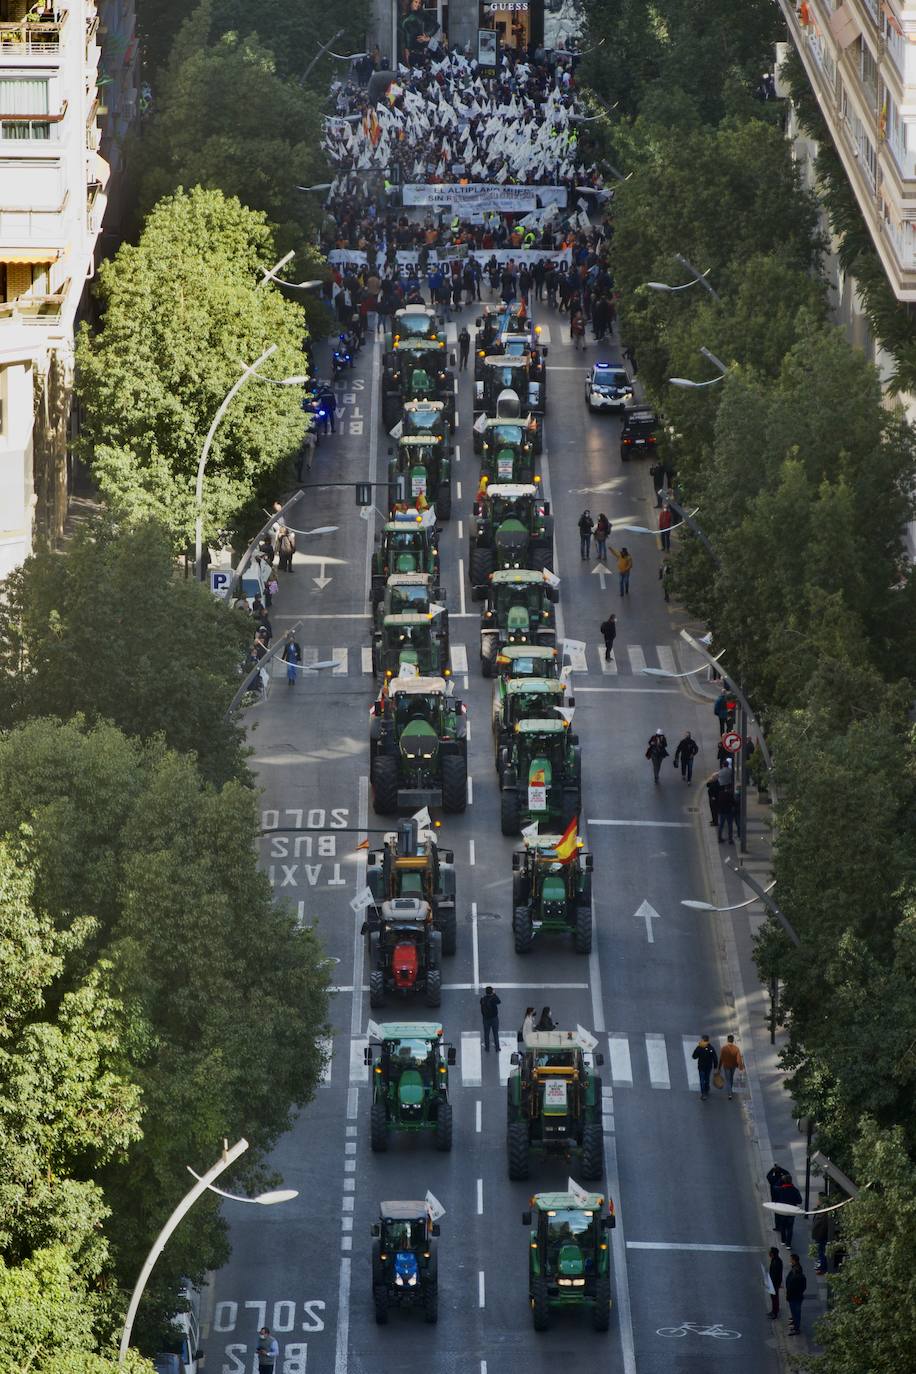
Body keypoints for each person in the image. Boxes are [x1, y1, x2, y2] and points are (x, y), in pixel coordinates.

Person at [775, 1177, 803, 1246]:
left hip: (783, 1210)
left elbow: (774, 1187)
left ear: (783, 1181)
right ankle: (788, 1244)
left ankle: (783, 1241)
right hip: (791, 1211)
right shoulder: (795, 1190)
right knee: (790, 1228)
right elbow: (800, 1201)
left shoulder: (781, 1189)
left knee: (783, 1226)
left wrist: (780, 1180)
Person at [691, 1034, 718, 1100]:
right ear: (708, 1040)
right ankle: (707, 1088)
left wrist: (697, 1049)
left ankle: (703, 1094)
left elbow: (694, 1056)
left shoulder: (699, 1048)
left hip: (701, 1067)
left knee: (702, 1080)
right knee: (707, 1078)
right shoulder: (711, 1048)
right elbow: (715, 1058)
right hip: (708, 1067)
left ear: (703, 1040)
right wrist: (715, 1067)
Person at [718, 1033, 744, 1098]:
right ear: (733, 1040)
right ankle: (730, 1090)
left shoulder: (723, 1048)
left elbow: (721, 1058)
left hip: (726, 1066)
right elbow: (739, 1059)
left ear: (727, 1040)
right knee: (731, 1077)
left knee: (728, 1079)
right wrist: (741, 1067)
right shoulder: (736, 1049)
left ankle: (730, 1093)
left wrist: (719, 1067)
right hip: (733, 1066)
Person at [785, 1254, 807, 1335]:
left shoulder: (797, 1275)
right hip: (794, 1296)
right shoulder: (796, 1270)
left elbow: (796, 1287)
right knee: (794, 1311)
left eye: (791, 1259)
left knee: (796, 1312)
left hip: (795, 1296)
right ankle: (795, 1323)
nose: (790, 1261)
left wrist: (789, 1294)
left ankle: (796, 1328)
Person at [480, 985, 501, 1052]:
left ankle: (487, 1048)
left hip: (486, 1019)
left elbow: (481, 1004)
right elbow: (499, 1001)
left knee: (486, 1034)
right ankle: (497, 1048)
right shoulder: (493, 998)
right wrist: (494, 994)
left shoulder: (483, 999)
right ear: (492, 991)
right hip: (494, 1018)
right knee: (495, 1033)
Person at [812, 1200, 829, 1274]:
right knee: (820, 1252)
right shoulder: (820, 1213)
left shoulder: (823, 1217)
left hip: (820, 1237)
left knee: (821, 1252)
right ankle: (821, 1266)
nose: (817, 1201)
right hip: (819, 1236)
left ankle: (822, 1268)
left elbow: (822, 1228)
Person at [768, 1247, 783, 1320]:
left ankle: (775, 1312)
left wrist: (771, 1283)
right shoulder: (775, 1260)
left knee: (774, 1298)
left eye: (770, 1252)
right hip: (773, 1283)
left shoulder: (777, 1262)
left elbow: (776, 1275)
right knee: (773, 1298)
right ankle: (774, 1310)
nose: (769, 1254)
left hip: (774, 1283)